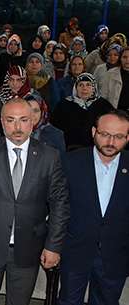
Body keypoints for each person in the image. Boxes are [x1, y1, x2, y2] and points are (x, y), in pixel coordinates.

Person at [0, 98, 70, 305]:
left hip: (29, 247)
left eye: (23, 120)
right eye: (11, 120)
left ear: (33, 122)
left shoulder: (50, 156)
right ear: (2, 123)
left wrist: (53, 246)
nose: (17, 127)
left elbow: (59, 205)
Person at [59, 110, 129, 305]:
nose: (111, 142)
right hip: (75, 251)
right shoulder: (70, 162)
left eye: (119, 137)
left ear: (127, 137)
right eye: (105, 134)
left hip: (116, 255)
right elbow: (57, 207)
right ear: (93, 132)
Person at [52, 73, 114, 151]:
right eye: (81, 85)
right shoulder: (64, 104)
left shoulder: (104, 105)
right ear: (75, 88)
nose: (84, 88)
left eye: (88, 85)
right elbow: (56, 128)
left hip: (97, 149)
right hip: (70, 149)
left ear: (93, 88)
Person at [0, 66, 33, 136]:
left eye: (18, 80)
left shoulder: (31, 96)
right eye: (11, 80)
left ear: (24, 81)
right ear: (7, 80)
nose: (14, 83)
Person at [26, 93, 66, 158]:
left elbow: (61, 163)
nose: (31, 114)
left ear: (42, 112)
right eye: (28, 110)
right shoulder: (15, 132)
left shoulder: (56, 134)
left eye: (36, 111)